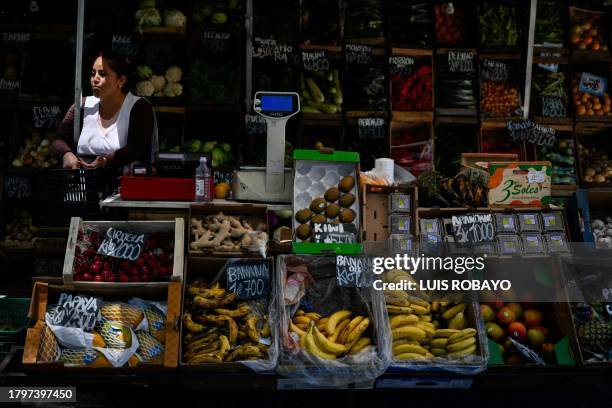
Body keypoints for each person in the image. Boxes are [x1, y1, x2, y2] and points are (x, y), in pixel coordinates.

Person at [52, 51, 158, 171]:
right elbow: (58, 140)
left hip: (123, 184)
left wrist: (105, 161)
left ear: (121, 80)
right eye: (93, 74)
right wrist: (67, 154)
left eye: (102, 74)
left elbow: (136, 149)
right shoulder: (82, 105)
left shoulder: (139, 107)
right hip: (83, 186)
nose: (95, 79)